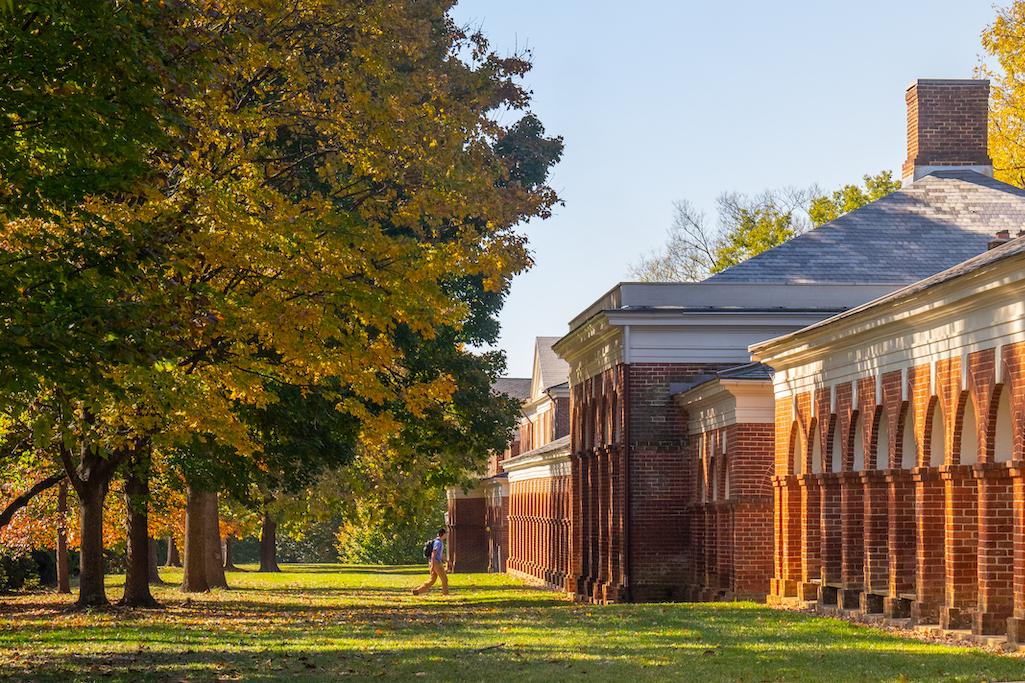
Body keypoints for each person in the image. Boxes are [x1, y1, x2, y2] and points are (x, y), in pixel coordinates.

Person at [412, 527, 449, 596]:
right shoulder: (438, 542)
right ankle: (445, 594)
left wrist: (446, 561)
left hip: (433, 562)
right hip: (436, 563)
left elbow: (440, 554)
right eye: (446, 533)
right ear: (443, 534)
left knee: (432, 580)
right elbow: (434, 553)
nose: (447, 535)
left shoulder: (438, 542)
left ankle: (418, 591)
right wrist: (433, 564)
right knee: (444, 579)